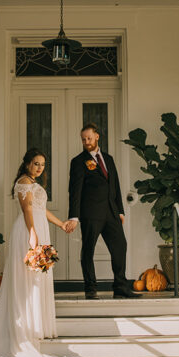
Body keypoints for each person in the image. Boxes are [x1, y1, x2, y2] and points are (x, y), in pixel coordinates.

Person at [0, 149, 70, 357]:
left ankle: (36, 325)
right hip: (29, 231)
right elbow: (27, 209)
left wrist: (61, 224)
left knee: (40, 277)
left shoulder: (34, 182)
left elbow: (41, 209)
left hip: (39, 230)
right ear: (27, 164)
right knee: (28, 279)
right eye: (36, 163)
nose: (40, 167)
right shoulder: (24, 182)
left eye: (43, 164)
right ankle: (25, 327)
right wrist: (32, 233)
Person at [65, 124, 139, 299]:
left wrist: (120, 211)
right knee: (88, 250)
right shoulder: (78, 161)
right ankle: (90, 289)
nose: (86, 142)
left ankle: (120, 286)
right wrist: (74, 216)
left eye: (89, 138)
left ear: (97, 136)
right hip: (90, 213)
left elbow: (116, 186)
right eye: (83, 139)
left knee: (120, 246)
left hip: (111, 212)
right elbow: (74, 191)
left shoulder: (108, 159)